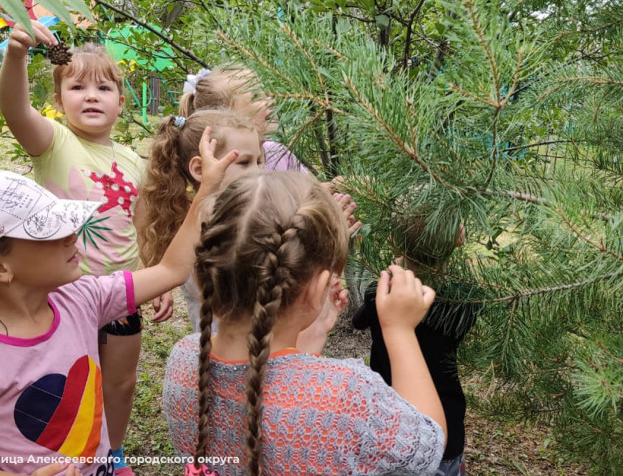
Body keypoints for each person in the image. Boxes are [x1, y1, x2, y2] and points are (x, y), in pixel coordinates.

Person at [0, 135, 236, 475]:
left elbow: (171, 270)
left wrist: (207, 190)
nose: (72, 234)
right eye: (47, 231)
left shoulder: (82, 300)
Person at [163, 171, 447, 476]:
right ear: (315, 289)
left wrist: (308, 340)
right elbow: (428, 446)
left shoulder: (184, 360)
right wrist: (399, 330)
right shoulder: (346, 394)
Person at [0, 20, 173, 474]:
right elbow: (15, 110)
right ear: (58, 102)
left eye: (103, 87)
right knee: (65, 378)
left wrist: (157, 276)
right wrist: (16, 55)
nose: (91, 95)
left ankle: (111, 453)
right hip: (65, 292)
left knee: (121, 380)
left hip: (120, 292)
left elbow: (140, 223)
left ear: (120, 102)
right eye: (76, 87)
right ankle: (61, 453)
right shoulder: (54, 143)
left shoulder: (133, 160)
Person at [138, 110, 358, 333]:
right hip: (231, 350)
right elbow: (278, 282)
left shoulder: (239, 216)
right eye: (244, 162)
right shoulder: (210, 228)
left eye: (259, 161)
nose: (258, 172)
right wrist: (325, 241)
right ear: (200, 169)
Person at [352, 202, 475, 476]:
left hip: (388, 419)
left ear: (395, 240)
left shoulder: (379, 293)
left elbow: (358, 321)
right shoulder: (466, 298)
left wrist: (393, 272)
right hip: (445, 429)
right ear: (459, 239)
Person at [180, 67, 310, 174]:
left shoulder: (278, 153)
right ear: (227, 118)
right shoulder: (218, 169)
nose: (271, 101)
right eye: (256, 97)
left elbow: (311, 193)